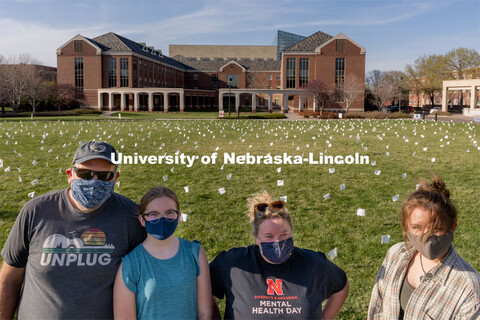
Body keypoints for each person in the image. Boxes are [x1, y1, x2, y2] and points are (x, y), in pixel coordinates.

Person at [0, 141, 146, 319]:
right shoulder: (35, 211)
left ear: (115, 178)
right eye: (84, 174)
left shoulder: (131, 217)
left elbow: (147, 278)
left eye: (103, 176)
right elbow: (9, 279)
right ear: (70, 175)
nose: (93, 181)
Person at [209, 190, 349, 320]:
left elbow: (341, 285)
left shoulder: (314, 263)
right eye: (269, 236)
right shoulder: (233, 263)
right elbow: (203, 289)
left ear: (292, 232)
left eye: (283, 234)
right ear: (256, 238)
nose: (277, 242)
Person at [368, 174, 480, 319]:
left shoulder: (469, 289)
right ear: (406, 227)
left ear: (452, 228)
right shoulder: (395, 254)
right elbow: (378, 306)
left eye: (436, 228)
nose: (426, 237)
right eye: (417, 227)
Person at [113, 186, 212, 320]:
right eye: (154, 214)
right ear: (142, 220)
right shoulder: (131, 264)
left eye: (169, 212)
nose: (162, 219)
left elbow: (204, 313)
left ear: (178, 216)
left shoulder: (195, 254)